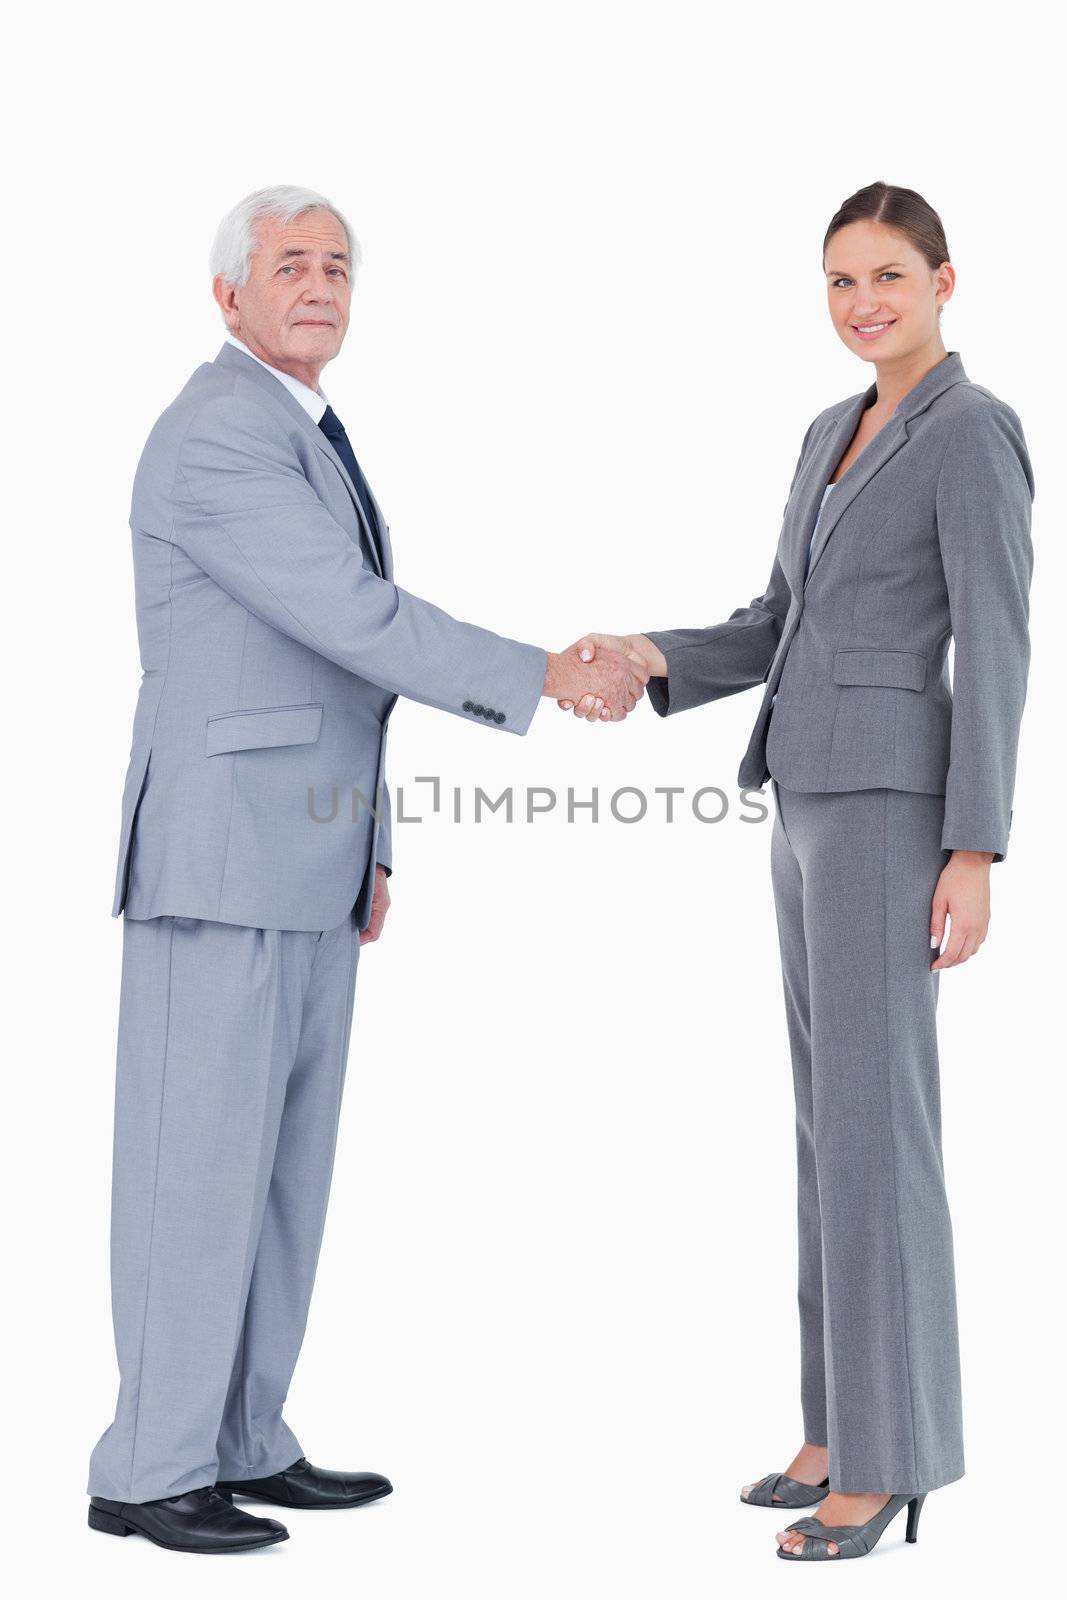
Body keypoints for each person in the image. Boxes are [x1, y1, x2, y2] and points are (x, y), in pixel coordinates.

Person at [87, 184, 646, 1555]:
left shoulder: (306, 432)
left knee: (279, 1175)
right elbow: (353, 618)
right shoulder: (219, 432)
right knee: (194, 1173)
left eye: (338, 264)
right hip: (220, 862)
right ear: (229, 295)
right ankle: (148, 1470)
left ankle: (240, 1439)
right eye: (291, 264)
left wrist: (372, 844)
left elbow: (336, 674)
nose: (320, 283)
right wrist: (538, 675)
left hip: (307, 857)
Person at [561, 181, 1035, 1562]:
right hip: (808, 795)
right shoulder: (832, 433)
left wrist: (976, 845)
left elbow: (998, 647)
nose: (863, 303)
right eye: (839, 282)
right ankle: (837, 1421)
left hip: (897, 805)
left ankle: (891, 1459)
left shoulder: (974, 433)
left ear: (947, 280)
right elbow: (779, 618)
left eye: (888, 276)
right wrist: (654, 657)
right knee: (830, 1126)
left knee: (879, 1129)